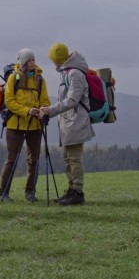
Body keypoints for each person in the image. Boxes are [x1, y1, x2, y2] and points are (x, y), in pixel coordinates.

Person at [39, 42, 94, 206]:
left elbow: (72, 100)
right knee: (68, 157)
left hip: (76, 121)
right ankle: (72, 190)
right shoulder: (68, 72)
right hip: (69, 122)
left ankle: (77, 191)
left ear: (58, 59)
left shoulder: (75, 73)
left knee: (74, 158)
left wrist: (51, 110)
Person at [0, 48, 50, 202]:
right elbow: (10, 102)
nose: (33, 63)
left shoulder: (40, 80)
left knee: (34, 159)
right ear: (23, 63)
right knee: (11, 159)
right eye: (29, 60)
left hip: (35, 125)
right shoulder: (14, 79)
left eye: (33, 59)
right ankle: (2, 192)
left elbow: (45, 100)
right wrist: (28, 111)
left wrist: (42, 110)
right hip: (15, 125)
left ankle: (30, 193)